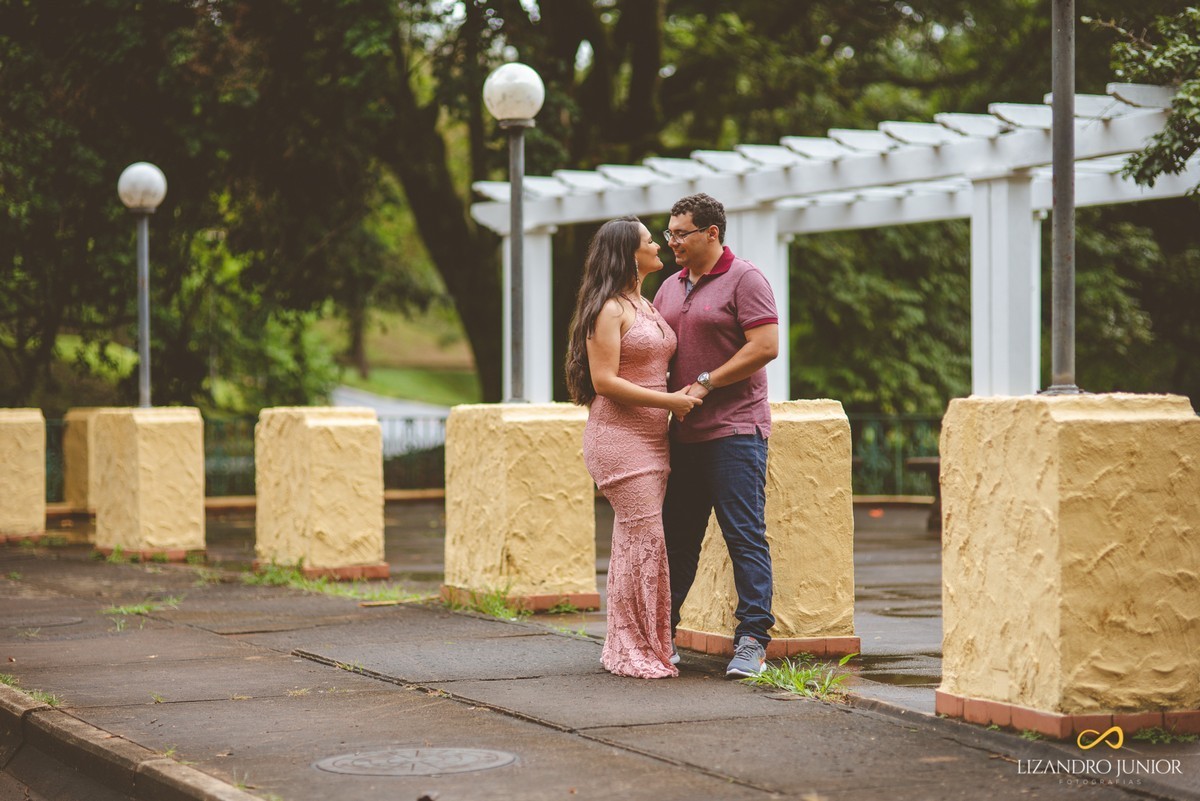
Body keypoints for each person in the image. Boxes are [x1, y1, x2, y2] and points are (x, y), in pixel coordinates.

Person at [566, 216, 703, 680]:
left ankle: (633, 643)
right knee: (647, 539)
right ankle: (638, 646)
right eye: (651, 241)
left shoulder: (643, 303)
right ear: (629, 254)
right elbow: (605, 381)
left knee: (634, 540)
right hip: (618, 440)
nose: (661, 244)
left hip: (652, 438)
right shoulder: (609, 309)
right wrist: (670, 401)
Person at [652, 193, 780, 678]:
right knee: (676, 540)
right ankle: (663, 637)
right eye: (669, 234)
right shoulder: (668, 287)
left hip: (735, 431)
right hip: (683, 435)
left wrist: (707, 381)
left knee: (743, 536)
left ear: (712, 233)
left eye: (681, 233)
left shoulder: (745, 278)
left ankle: (752, 640)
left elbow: (765, 345)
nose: (673, 242)